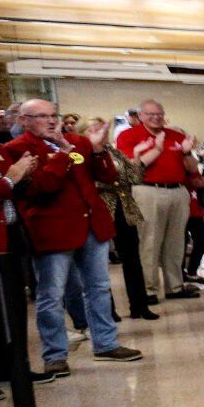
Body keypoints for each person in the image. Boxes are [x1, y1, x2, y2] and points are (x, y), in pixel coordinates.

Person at [2, 99, 143, 376]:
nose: (52, 121)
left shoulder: (78, 140)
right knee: (51, 295)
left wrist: (100, 149)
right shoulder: (16, 150)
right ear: (24, 120)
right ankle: (55, 354)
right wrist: (65, 155)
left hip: (92, 224)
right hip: (53, 230)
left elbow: (107, 175)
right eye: (42, 116)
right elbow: (41, 187)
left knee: (99, 288)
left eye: (54, 115)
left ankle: (105, 343)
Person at [0, 97, 41, 402]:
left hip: (10, 237)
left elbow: (12, 187)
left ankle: (11, 366)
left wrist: (24, 175)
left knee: (12, 309)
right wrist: (12, 177)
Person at [116, 98, 197, 302]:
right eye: (151, 114)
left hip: (177, 191)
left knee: (176, 242)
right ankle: (149, 289)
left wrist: (187, 151)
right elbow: (133, 167)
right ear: (141, 116)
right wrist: (157, 149)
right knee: (149, 241)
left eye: (160, 114)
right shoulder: (129, 136)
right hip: (147, 191)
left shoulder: (176, 136)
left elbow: (192, 168)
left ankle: (175, 286)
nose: (156, 118)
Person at [84, 118, 156, 320]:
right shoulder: (81, 154)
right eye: (95, 129)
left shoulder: (113, 151)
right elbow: (95, 181)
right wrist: (114, 182)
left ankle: (139, 305)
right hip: (100, 209)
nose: (101, 133)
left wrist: (138, 156)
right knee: (100, 264)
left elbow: (136, 177)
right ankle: (108, 310)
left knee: (133, 259)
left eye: (103, 129)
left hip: (124, 208)